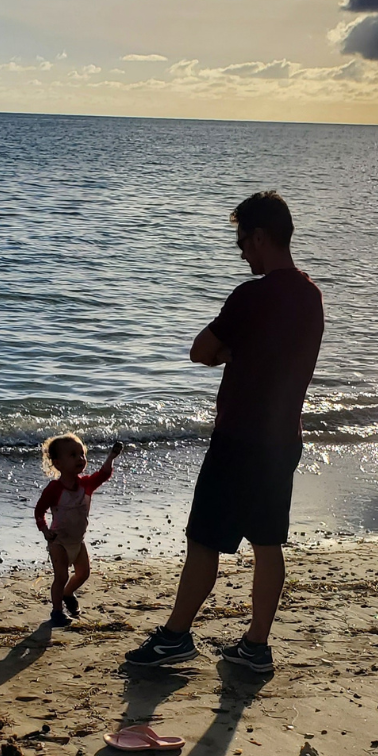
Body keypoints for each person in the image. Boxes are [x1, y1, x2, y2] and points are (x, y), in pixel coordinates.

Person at [126, 191, 323, 672]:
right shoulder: (311, 295)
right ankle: (256, 644)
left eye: (242, 241)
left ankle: (176, 636)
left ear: (260, 236)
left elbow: (200, 351)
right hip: (282, 438)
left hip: (240, 436)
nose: (240, 251)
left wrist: (232, 353)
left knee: (205, 538)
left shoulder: (251, 296)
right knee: (267, 541)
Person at [35, 435, 123, 627]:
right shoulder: (54, 489)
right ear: (57, 463)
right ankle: (57, 612)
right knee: (61, 576)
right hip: (58, 540)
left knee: (83, 573)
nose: (80, 459)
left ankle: (68, 593)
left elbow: (104, 474)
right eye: (73, 455)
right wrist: (44, 531)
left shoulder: (86, 484)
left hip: (77, 541)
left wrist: (111, 456)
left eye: (82, 454)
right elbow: (39, 511)